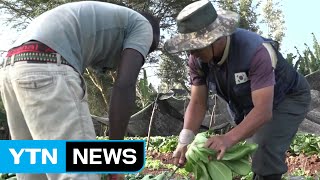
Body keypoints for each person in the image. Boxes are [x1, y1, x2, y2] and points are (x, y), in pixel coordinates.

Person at [0, 1, 160, 180]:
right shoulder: (143, 27)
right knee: (78, 172)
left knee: (34, 168)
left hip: (10, 69)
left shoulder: (104, 21)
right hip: (47, 66)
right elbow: (124, 86)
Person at [164, 0, 311, 179]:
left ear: (216, 38)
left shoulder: (256, 52)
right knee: (246, 149)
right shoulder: (197, 60)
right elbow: (197, 102)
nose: (191, 54)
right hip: (247, 104)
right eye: (188, 48)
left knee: (264, 148)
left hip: (286, 98)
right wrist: (185, 140)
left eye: (195, 47)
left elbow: (263, 111)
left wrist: (227, 138)